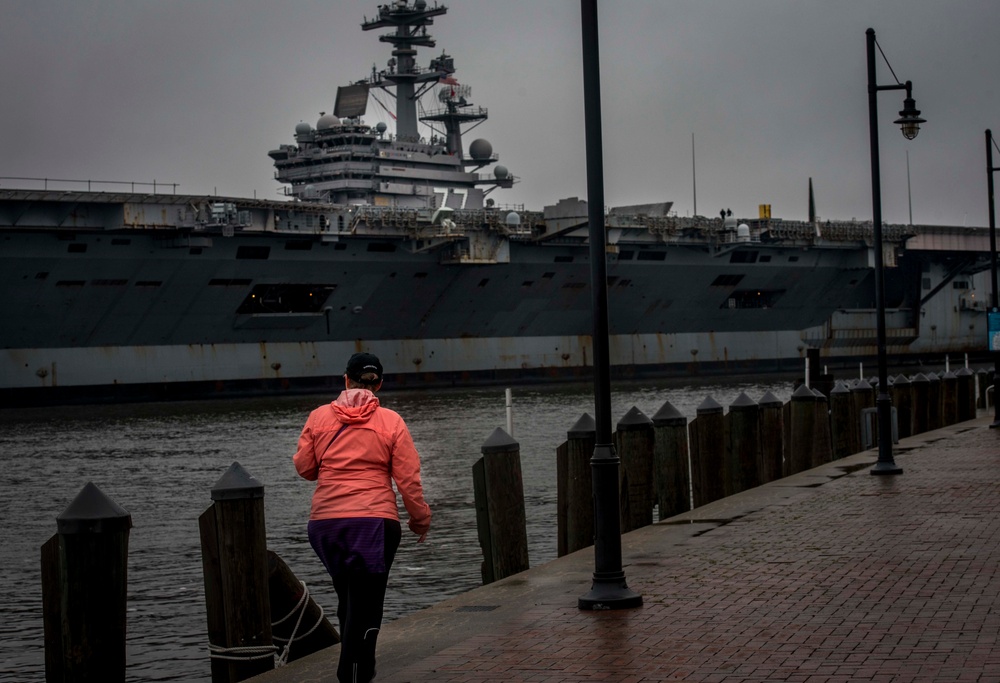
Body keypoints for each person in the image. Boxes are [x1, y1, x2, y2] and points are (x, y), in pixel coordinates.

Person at [294, 352, 431, 683]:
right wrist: (420, 519)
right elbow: (408, 479)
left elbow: (305, 467)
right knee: (368, 605)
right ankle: (355, 673)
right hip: (373, 522)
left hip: (326, 525)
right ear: (379, 384)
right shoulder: (391, 421)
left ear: (346, 380)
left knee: (349, 599)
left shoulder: (318, 417)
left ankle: (353, 670)